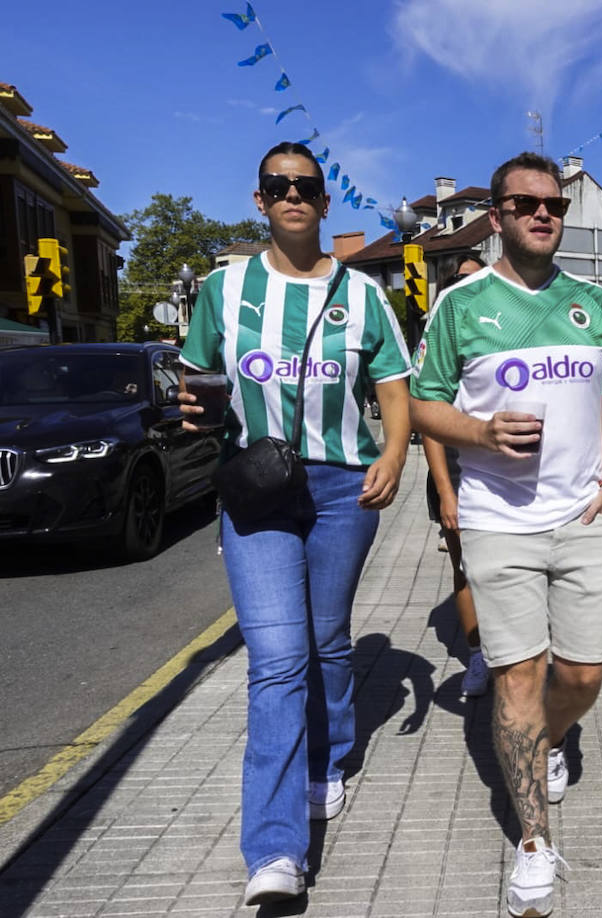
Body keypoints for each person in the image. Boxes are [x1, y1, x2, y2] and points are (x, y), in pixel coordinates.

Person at [178, 141, 413, 905]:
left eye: (306, 186)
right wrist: (194, 406)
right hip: (258, 486)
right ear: (259, 200)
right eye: (278, 186)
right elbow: (199, 375)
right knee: (277, 660)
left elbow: (392, 381)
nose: (293, 196)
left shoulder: (363, 293)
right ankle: (275, 851)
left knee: (327, 639)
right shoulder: (227, 285)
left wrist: (397, 453)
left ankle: (331, 755)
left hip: (345, 484)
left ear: (323, 199)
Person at [410, 152, 602, 918]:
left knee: (583, 676)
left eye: (555, 205)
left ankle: (550, 739)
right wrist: (477, 432)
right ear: (497, 216)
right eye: (527, 204)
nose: (545, 214)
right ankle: (534, 845)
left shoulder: (594, 304)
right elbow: (421, 405)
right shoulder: (461, 305)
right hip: (498, 523)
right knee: (517, 677)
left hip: (582, 521)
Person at [421, 255, 489, 698]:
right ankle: (479, 656)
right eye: (460, 278)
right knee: (465, 568)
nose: (468, 285)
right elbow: (424, 415)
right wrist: (446, 491)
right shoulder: (440, 326)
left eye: (476, 278)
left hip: (503, 469)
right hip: (456, 468)